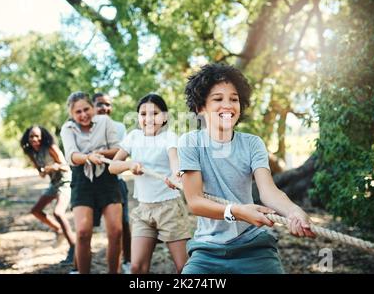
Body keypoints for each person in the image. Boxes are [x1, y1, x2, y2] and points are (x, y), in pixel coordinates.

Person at [177, 63, 316, 274]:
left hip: (254, 247)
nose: (228, 105)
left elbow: (268, 192)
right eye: (218, 99)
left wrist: (293, 211)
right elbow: (195, 202)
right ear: (200, 107)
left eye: (234, 99)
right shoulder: (190, 143)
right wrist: (237, 212)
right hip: (207, 251)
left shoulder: (252, 144)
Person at [109, 94, 191, 274]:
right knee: (137, 267)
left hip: (169, 209)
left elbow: (174, 161)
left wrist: (177, 177)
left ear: (165, 117)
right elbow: (113, 167)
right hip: (144, 210)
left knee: (183, 268)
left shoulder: (169, 137)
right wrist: (129, 165)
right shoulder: (133, 137)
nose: (148, 118)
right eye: (143, 114)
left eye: (155, 113)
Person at [60, 91, 122, 274]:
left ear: (93, 107)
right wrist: (88, 157)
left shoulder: (105, 122)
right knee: (83, 233)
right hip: (82, 180)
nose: (83, 114)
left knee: (116, 232)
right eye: (78, 112)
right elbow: (71, 155)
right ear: (72, 114)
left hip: (107, 178)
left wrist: (101, 154)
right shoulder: (67, 129)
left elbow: (117, 149)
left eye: (86, 109)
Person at [20, 125, 75, 264]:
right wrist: (43, 172)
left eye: (37, 136)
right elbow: (40, 172)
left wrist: (51, 167)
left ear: (42, 136)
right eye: (31, 136)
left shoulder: (51, 147)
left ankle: (74, 249)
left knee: (58, 213)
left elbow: (65, 166)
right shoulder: (31, 152)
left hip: (65, 181)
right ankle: (58, 230)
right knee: (36, 211)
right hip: (53, 183)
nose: (34, 139)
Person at [92, 92, 131, 274]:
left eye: (107, 104)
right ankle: (77, 264)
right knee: (85, 229)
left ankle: (128, 260)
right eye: (100, 104)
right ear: (92, 106)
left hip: (116, 181)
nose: (104, 108)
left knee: (123, 224)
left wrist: (98, 152)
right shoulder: (86, 126)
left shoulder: (119, 127)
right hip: (91, 183)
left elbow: (120, 155)